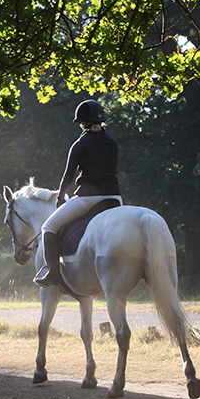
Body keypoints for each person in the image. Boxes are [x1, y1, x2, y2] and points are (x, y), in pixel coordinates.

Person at [33, 99, 123, 288]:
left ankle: (52, 273)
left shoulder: (80, 144)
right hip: (115, 198)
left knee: (48, 228)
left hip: (88, 199)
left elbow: (68, 176)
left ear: (82, 123)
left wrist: (60, 197)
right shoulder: (112, 143)